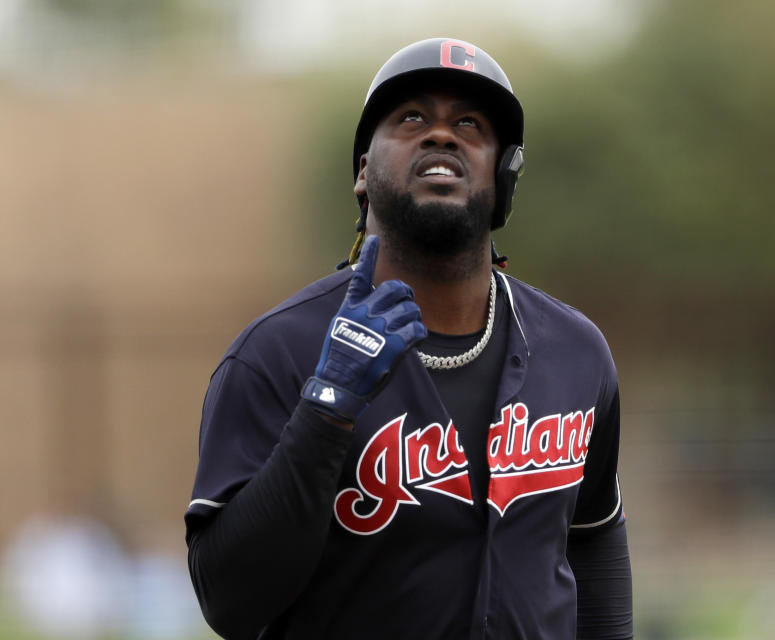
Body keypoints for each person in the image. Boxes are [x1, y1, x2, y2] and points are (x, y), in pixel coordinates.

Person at [185, 37, 633, 639]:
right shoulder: (277, 353)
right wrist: (325, 411)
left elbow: (593, 537)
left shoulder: (577, 352)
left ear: (503, 176)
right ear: (364, 172)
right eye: (412, 118)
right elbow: (229, 602)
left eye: (470, 123)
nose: (442, 135)